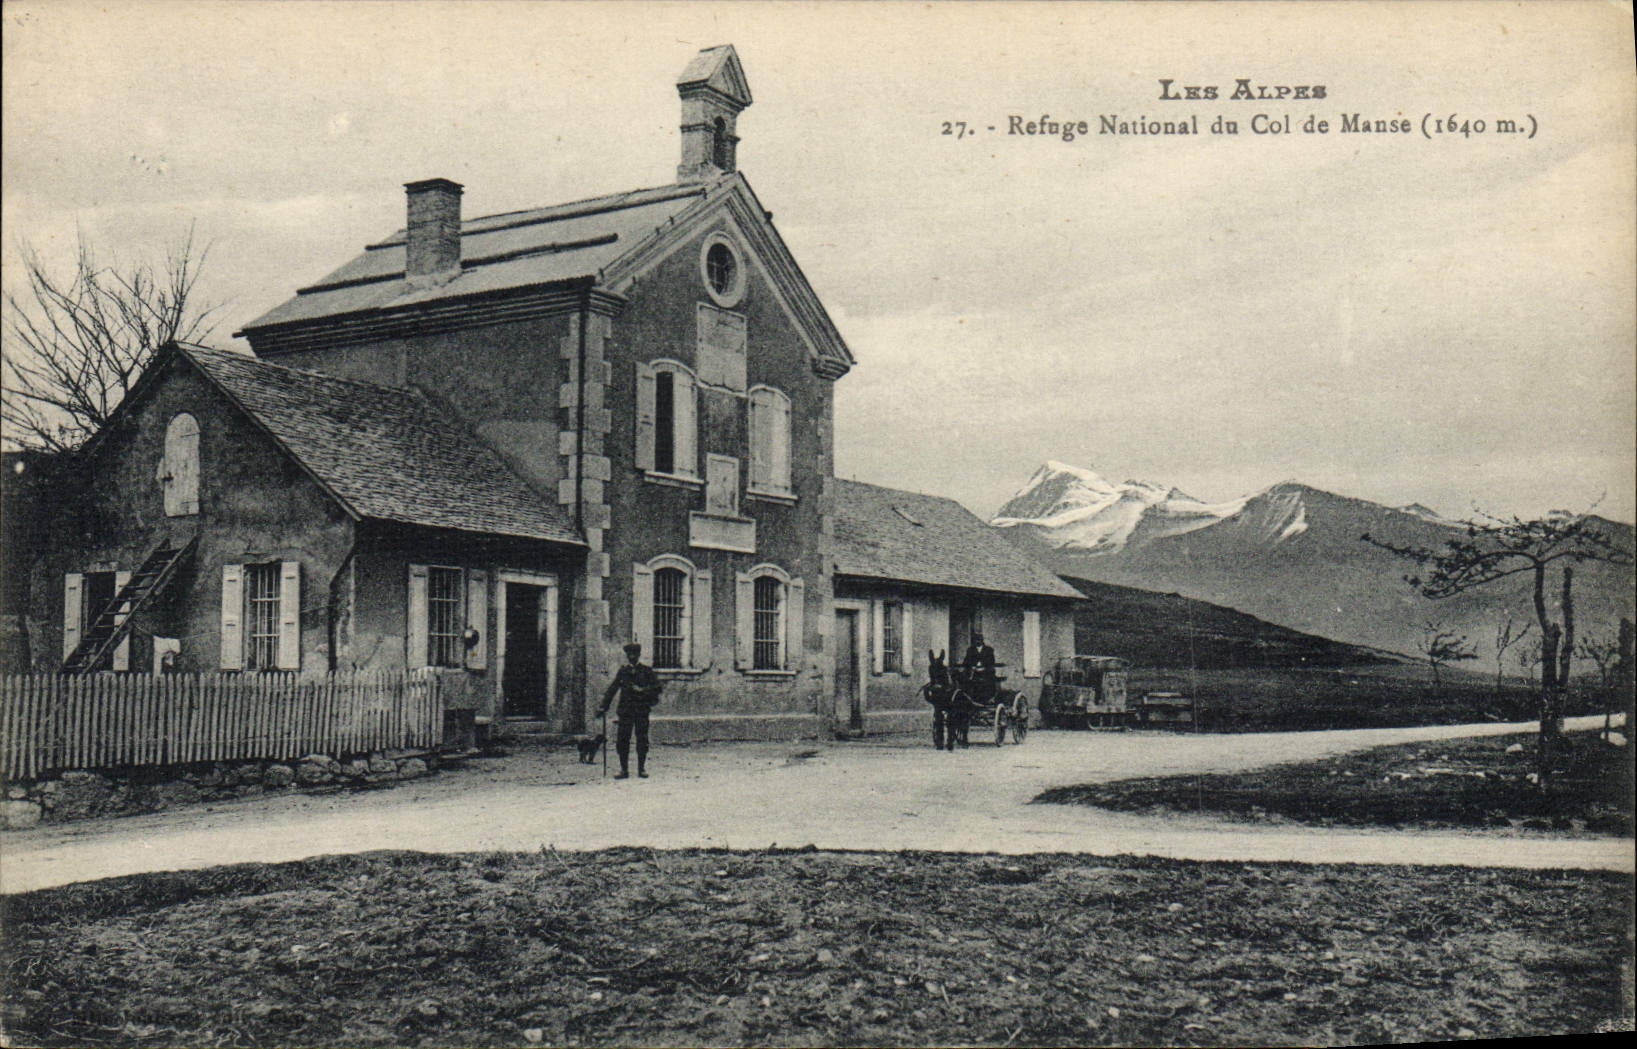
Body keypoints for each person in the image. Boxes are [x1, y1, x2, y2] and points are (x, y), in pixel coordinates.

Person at [599, 642, 662, 779]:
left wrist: (643, 690)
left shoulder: (646, 671)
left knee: (642, 739)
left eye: (634, 654)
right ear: (627, 656)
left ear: (639, 655)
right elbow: (613, 688)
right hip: (625, 711)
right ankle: (624, 770)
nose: (632, 656)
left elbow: (658, 687)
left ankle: (641, 769)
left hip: (641, 710)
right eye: (629, 654)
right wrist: (604, 706)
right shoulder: (623, 671)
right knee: (622, 740)